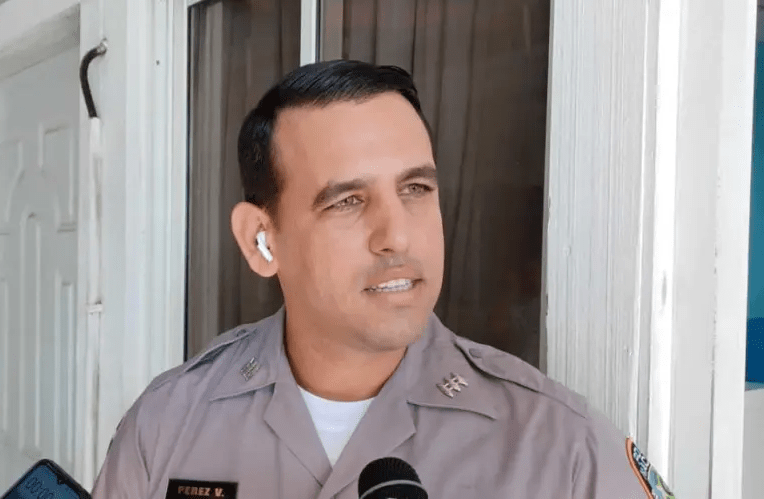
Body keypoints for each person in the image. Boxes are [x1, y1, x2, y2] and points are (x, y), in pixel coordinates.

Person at [92, 60, 675, 499]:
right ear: (260, 240)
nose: (397, 235)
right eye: (347, 201)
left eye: (416, 189)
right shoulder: (168, 423)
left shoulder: (560, 447)